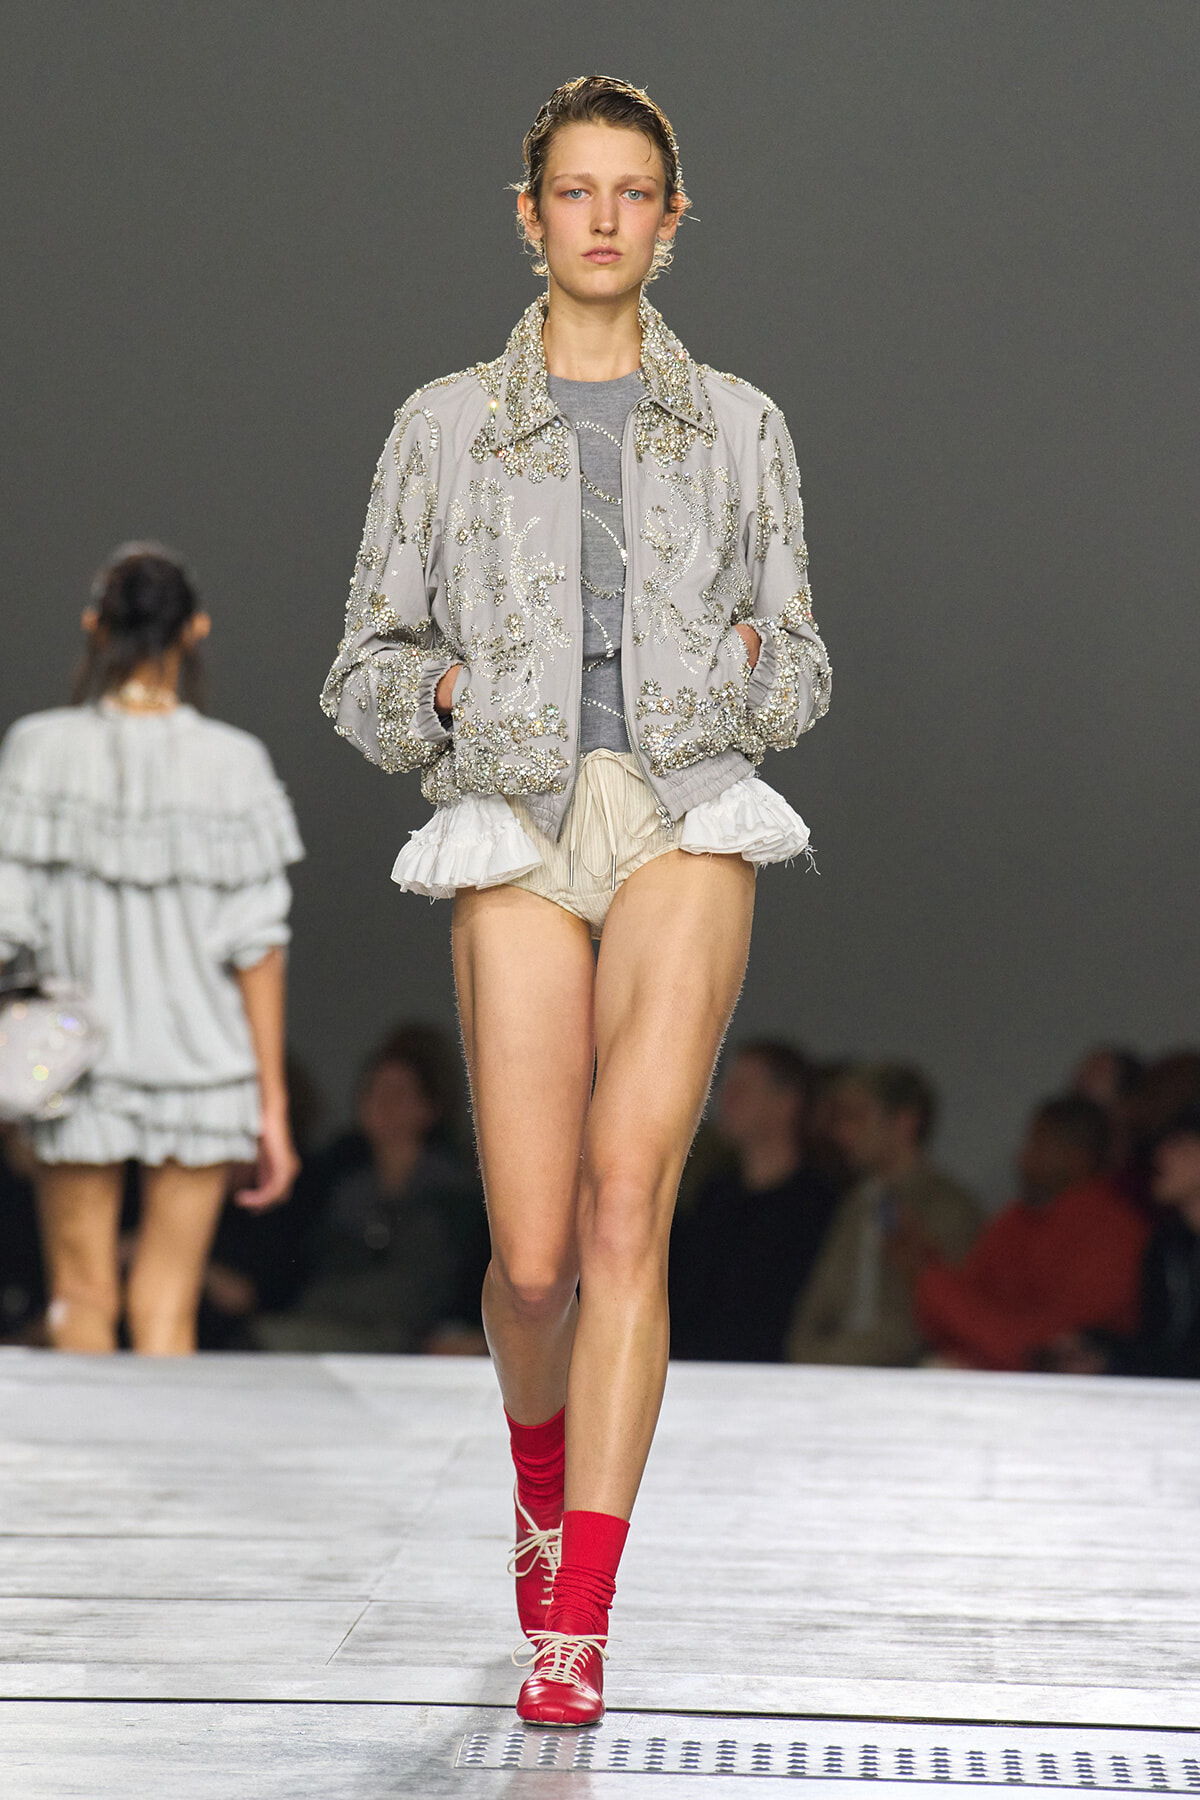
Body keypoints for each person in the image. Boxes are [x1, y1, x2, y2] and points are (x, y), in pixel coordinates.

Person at [321, 75, 831, 1723]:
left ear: (672, 222)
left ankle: (578, 1622)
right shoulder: (443, 426)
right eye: (574, 189)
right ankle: (539, 1494)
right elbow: (364, 670)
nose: (603, 215)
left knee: (627, 1207)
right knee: (533, 1259)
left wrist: (764, 677)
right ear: (527, 213)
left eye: (634, 191)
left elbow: (808, 656)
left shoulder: (744, 425)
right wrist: (451, 705)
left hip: (685, 804)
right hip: (515, 818)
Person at [0, 543, 303, 1355]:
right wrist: (271, 1109)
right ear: (195, 630)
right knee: (169, 1304)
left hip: (71, 1062)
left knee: (78, 1297)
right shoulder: (235, 765)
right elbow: (258, 947)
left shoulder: (38, 749)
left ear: (94, 626)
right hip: (203, 1066)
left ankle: (87, 1487)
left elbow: (7, 926)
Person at [254, 1025, 487, 1354]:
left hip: (418, 1340)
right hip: (336, 1331)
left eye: (399, 1094)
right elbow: (310, 1274)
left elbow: (434, 1287)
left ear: (430, 1108)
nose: (383, 1105)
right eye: (373, 1091)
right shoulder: (337, 1180)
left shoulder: (457, 1191)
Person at [912, 1095, 1148, 1371]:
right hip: (994, 1370)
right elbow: (956, 1327)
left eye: (1039, 1144)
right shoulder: (1013, 1221)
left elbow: (1038, 1349)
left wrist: (927, 1277)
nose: (1022, 1157)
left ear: (1077, 1156)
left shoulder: (1113, 1236)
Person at [785, 1063, 981, 1366]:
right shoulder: (856, 1204)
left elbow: (933, 1314)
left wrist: (840, 1358)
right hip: (833, 1372)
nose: (843, 1132)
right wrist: (809, 1354)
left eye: (857, 1117)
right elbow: (819, 1301)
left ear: (904, 1121)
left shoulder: (948, 1207)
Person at [670, 1041, 839, 1361]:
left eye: (744, 1088)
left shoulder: (817, 1205)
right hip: (694, 1373)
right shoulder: (714, 1195)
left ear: (787, 1103)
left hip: (771, 1378)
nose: (726, 1099)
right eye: (727, 1086)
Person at [1051, 1107, 1200, 1379]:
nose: (1161, 1157)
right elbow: (1160, 1343)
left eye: (1180, 1146)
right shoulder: (1166, 1244)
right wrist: (1103, 1349)